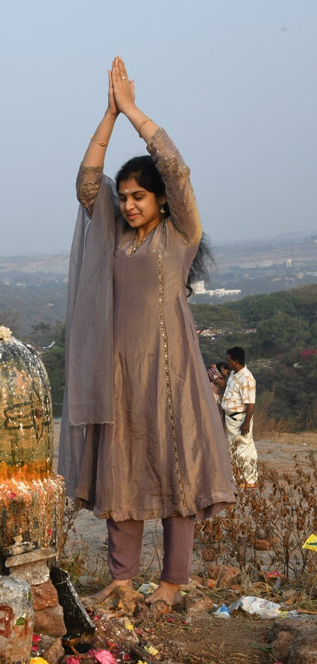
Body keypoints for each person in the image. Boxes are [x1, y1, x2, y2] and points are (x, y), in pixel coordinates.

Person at [59, 57, 236, 609]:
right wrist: (106, 116)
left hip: (170, 371)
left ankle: (173, 581)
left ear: (159, 198)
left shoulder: (180, 234)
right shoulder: (113, 234)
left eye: (140, 196)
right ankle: (121, 576)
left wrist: (133, 110)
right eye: (127, 196)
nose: (130, 204)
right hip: (118, 373)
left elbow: (177, 169)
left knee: (177, 474)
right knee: (122, 477)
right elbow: (88, 183)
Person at [221, 346, 258, 487]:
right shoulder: (234, 374)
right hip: (231, 418)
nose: (227, 363)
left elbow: (250, 404)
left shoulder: (247, 378)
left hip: (240, 418)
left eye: (229, 360)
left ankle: (249, 479)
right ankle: (237, 477)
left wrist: (246, 423)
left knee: (244, 447)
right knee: (233, 448)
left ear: (235, 361)